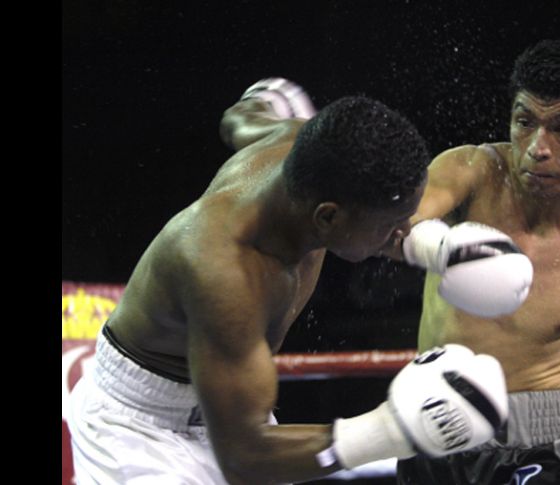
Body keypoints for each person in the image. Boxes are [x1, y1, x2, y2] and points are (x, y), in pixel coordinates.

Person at [67, 79, 534, 484]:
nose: (403, 231)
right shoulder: (225, 270)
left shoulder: (302, 153)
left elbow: (240, 119)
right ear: (327, 216)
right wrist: (392, 432)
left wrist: (437, 247)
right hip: (140, 431)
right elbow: (244, 457)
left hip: (228, 403)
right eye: (393, 223)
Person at [393, 38, 560, 485]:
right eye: (525, 122)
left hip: (543, 435)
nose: (537, 147)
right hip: (437, 414)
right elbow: (391, 225)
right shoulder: (471, 172)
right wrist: (441, 249)